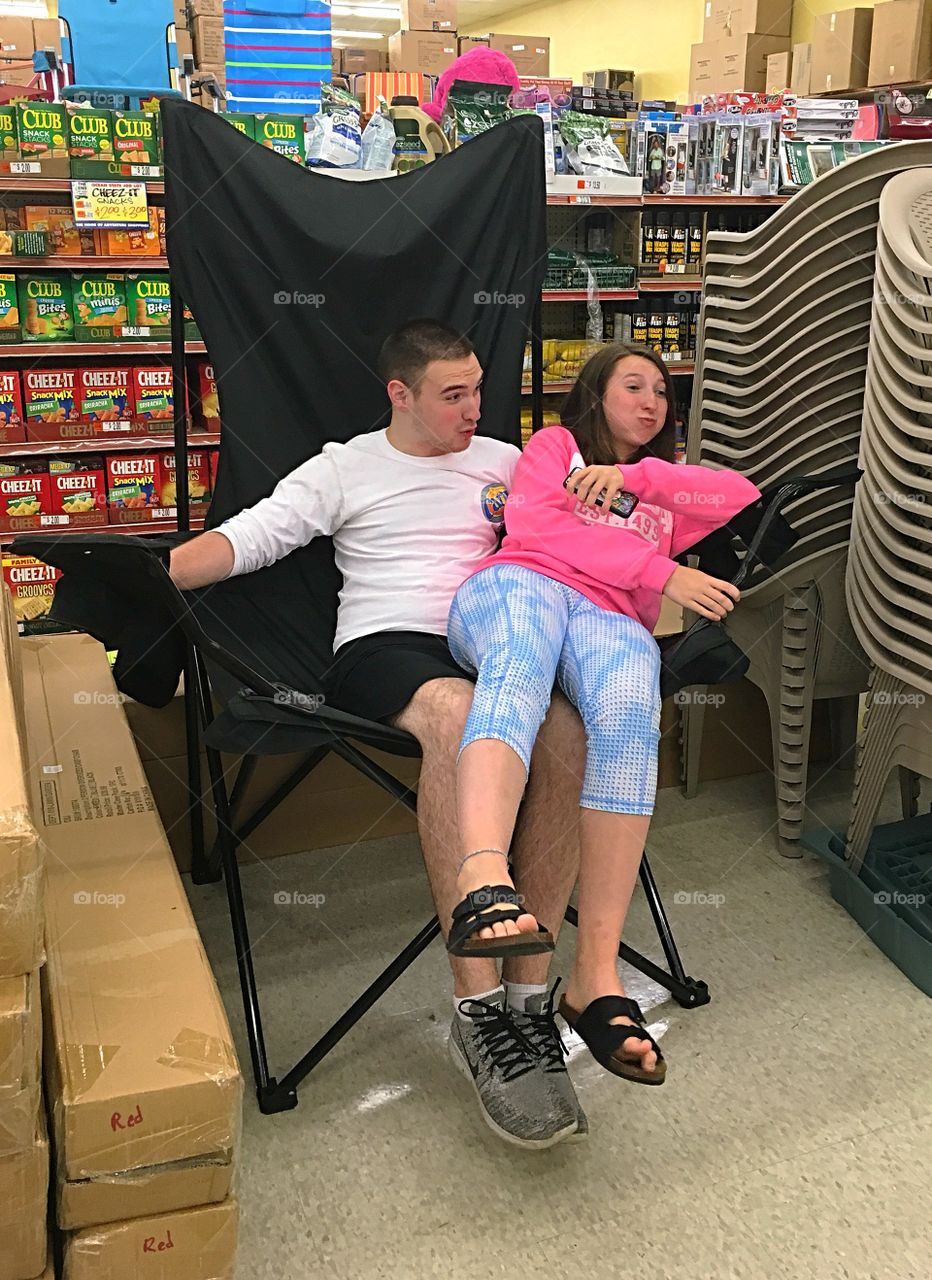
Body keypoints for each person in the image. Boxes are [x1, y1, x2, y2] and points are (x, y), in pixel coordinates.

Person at [168, 319, 592, 1150]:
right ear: (400, 394)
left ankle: (527, 1007)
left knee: (568, 734)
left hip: (494, 635)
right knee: (457, 717)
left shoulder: (510, 462)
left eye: (477, 388)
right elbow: (253, 537)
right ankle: (477, 1011)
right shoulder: (347, 465)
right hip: (385, 646)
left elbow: (592, 509)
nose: (474, 408)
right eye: (453, 395)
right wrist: (151, 576)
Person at [445, 344, 761, 1085]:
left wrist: (636, 477)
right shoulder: (554, 447)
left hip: (610, 615)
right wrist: (665, 570)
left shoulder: (659, 486)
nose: (652, 402)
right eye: (633, 386)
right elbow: (538, 527)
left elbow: (740, 494)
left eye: (662, 392)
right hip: (521, 584)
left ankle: (595, 974)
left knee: (629, 709)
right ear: (595, 392)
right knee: (520, 656)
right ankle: (483, 879)